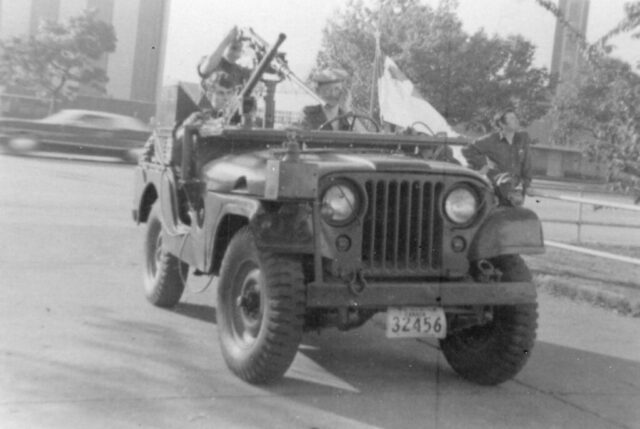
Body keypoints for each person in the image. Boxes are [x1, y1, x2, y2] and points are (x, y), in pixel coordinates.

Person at [462, 110, 532, 204]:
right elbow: (467, 149)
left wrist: (527, 185)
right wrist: (483, 164)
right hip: (498, 188)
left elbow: (527, 163)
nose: (516, 121)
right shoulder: (491, 140)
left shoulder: (522, 139)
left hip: (516, 189)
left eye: (516, 118)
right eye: (512, 118)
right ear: (502, 124)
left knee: (517, 212)